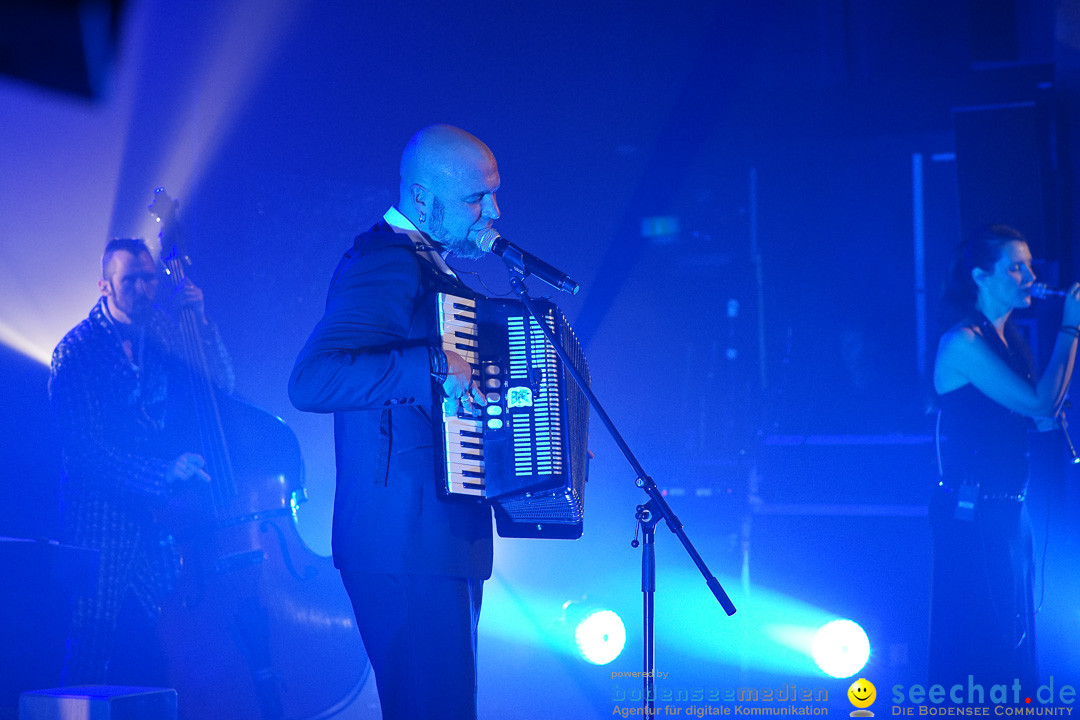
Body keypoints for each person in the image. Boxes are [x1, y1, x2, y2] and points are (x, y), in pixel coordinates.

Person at [288, 124, 499, 720]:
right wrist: (432, 364)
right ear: (423, 199)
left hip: (433, 539)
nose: (493, 211)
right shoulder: (385, 262)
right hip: (403, 543)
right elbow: (312, 380)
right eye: (476, 198)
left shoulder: (430, 268)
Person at [49, 236, 233, 685]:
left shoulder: (164, 329)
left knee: (174, 638)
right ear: (104, 286)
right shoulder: (75, 351)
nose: (142, 289)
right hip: (99, 521)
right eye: (129, 280)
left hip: (158, 517)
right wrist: (160, 472)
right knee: (91, 645)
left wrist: (201, 321)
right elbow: (85, 454)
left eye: (148, 279)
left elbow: (221, 386)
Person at [930, 224, 1080, 688]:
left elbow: (1037, 415)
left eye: (1030, 266)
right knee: (984, 640)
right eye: (1016, 267)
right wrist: (1072, 325)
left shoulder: (1011, 341)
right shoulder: (962, 342)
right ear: (980, 276)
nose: (1029, 276)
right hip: (972, 513)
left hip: (1010, 508)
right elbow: (1037, 403)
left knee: (1017, 634)